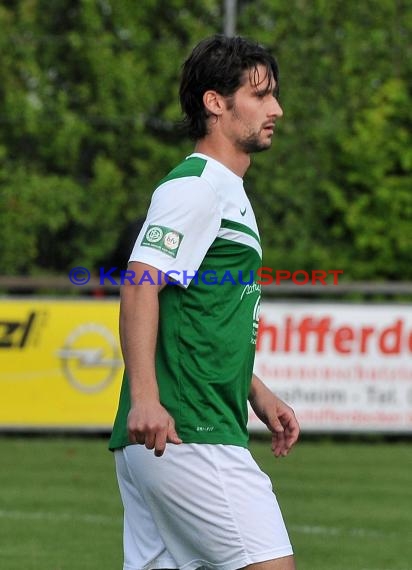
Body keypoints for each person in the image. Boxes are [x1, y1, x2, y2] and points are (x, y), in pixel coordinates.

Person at [109, 34, 300, 570]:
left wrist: (255, 391)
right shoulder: (196, 187)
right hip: (187, 431)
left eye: (275, 96)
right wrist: (146, 398)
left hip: (183, 430)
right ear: (215, 103)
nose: (276, 109)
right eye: (260, 95)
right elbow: (142, 281)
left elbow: (197, 309)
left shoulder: (228, 192)